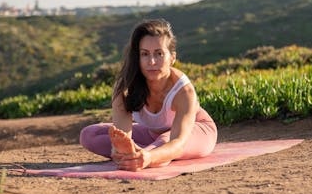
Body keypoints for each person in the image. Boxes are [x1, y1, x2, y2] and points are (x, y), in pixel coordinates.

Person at [79, 19, 217, 171]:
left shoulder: (183, 91)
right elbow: (123, 134)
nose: (151, 61)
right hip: (152, 136)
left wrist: (149, 156)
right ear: (137, 57)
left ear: (172, 57)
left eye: (159, 54)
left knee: (165, 143)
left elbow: (178, 142)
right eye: (144, 54)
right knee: (90, 135)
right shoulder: (125, 87)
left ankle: (151, 155)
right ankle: (144, 154)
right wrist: (118, 150)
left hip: (194, 132)